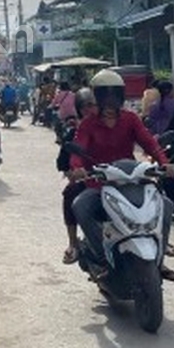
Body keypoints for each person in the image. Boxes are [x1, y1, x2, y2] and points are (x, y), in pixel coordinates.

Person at [69, 68, 174, 276]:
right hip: (100, 184)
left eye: (114, 93)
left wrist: (165, 162)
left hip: (132, 181)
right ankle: (102, 258)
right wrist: (78, 169)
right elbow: (78, 149)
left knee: (165, 205)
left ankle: (159, 258)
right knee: (80, 206)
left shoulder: (130, 119)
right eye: (105, 94)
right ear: (97, 96)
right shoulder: (87, 124)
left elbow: (149, 143)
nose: (110, 99)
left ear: (121, 95)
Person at [61, 88, 97, 263]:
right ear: (80, 109)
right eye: (87, 106)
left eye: (95, 105)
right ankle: (73, 243)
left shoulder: (112, 124)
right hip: (90, 180)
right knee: (70, 194)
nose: (92, 109)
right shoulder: (74, 132)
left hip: (116, 179)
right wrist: (75, 172)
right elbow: (64, 162)